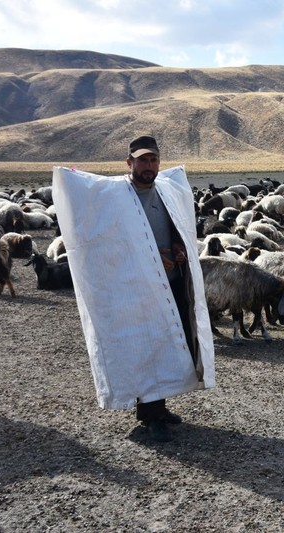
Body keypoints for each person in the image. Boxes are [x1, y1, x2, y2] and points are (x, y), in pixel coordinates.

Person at [52, 135, 215, 443]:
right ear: (129, 163)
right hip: (138, 289)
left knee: (171, 343)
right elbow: (110, 242)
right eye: (142, 160)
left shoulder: (167, 193)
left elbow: (178, 227)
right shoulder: (115, 198)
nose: (148, 166)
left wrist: (178, 249)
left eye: (153, 160)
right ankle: (150, 417)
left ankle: (160, 408)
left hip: (173, 282)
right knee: (146, 346)